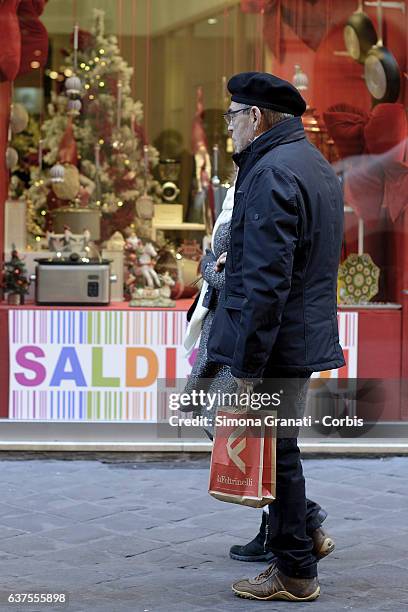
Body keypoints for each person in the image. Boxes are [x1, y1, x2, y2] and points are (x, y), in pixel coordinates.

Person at [206, 72, 345, 601]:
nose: (230, 129)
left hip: (279, 340)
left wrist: (247, 368)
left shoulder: (269, 173)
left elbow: (267, 284)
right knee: (280, 448)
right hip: (299, 335)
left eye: (233, 117)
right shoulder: (311, 163)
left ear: (256, 117)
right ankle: (302, 539)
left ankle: (294, 569)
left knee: (277, 453)